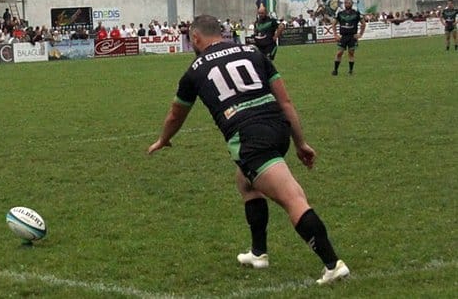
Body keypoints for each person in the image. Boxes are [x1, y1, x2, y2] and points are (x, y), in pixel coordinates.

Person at [147, 15, 350, 285]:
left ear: (195, 38)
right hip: (278, 128)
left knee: (293, 199)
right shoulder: (253, 51)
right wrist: (300, 142)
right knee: (245, 182)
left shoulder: (194, 70)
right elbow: (286, 102)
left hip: (250, 137)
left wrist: (163, 139)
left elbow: (175, 115)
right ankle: (258, 253)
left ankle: (332, 264)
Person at [331, 0, 366, 76]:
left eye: (349, 3)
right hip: (343, 37)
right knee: (339, 53)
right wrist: (335, 34)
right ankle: (335, 70)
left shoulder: (356, 13)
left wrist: (360, 34)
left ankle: (351, 70)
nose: (348, 4)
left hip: (352, 37)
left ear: (352, 4)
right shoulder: (340, 13)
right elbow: (333, 24)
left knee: (351, 53)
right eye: (346, 3)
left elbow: (363, 23)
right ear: (344, 4)